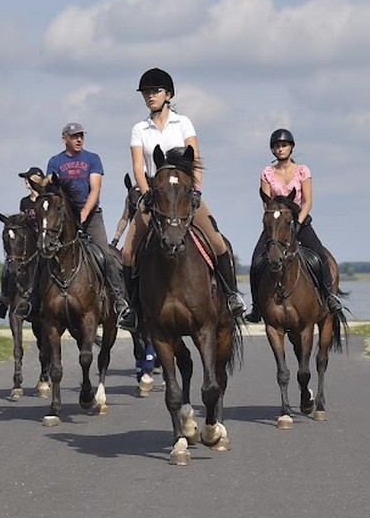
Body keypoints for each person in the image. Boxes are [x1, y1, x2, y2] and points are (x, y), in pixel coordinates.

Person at [120, 67, 246, 326]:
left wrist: (196, 192)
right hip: (156, 198)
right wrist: (148, 196)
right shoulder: (139, 129)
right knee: (127, 253)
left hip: (186, 197)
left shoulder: (183, 123)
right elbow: (137, 167)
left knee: (218, 242)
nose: (150, 96)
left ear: (168, 94)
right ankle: (132, 308)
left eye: (155, 91)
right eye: (146, 92)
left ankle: (232, 296)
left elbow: (195, 160)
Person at [243, 128, 344, 322]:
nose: (280, 149)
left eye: (284, 145)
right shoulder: (267, 173)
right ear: (272, 150)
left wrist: (297, 223)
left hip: (300, 223)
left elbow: (308, 202)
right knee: (256, 261)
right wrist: (275, 222)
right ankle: (257, 307)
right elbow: (267, 203)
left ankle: (330, 297)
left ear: (291, 148)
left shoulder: (303, 171)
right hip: (276, 225)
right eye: (277, 146)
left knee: (321, 256)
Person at [42, 121, 131, 325]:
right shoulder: (55, 161)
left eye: (81, 135)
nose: (79, 139)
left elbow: (95, 189)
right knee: (45, 253)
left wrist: (84, 212)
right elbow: (51, 187)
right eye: (74, 136)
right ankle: (34, 300)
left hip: (91, 216)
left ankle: (119, 301)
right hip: (64, 216)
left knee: (107, 256)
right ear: (64, 138)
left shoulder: (92, 159)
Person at [0, 166, 47, 318]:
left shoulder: (45, 199)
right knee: (6, 268)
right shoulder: (24, 202)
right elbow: (22, 222)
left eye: (28, 178)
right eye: (25, 179)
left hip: (44, 240)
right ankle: (4, 303)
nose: (25, 181)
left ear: (36, 180)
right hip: (28, 242)